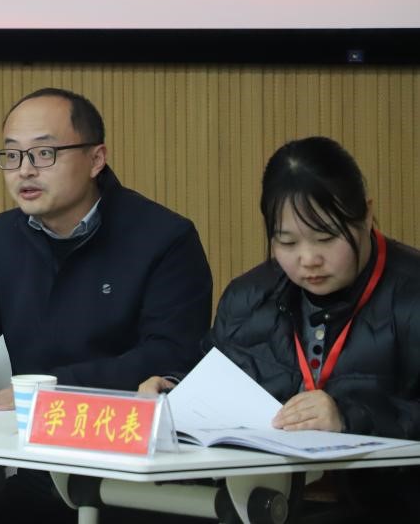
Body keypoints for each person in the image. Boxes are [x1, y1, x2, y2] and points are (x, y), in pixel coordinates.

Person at [0, 88, 211, 521]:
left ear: (96, 159)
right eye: (12, 155)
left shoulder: (164, 238)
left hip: (136, 473)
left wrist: (49, 392)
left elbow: (170, 353)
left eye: (44, 153)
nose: (25, 170)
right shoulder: (6, 235)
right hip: (38, 463)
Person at [141, 137, 420, 516]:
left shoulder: (411, 293)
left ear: (367, 215)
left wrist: (349, 418)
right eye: (287, 242)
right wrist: (172, 394)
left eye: (326, 237)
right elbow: (216, 383)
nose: (308, 259)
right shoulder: (248, 297)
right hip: (262, 504)